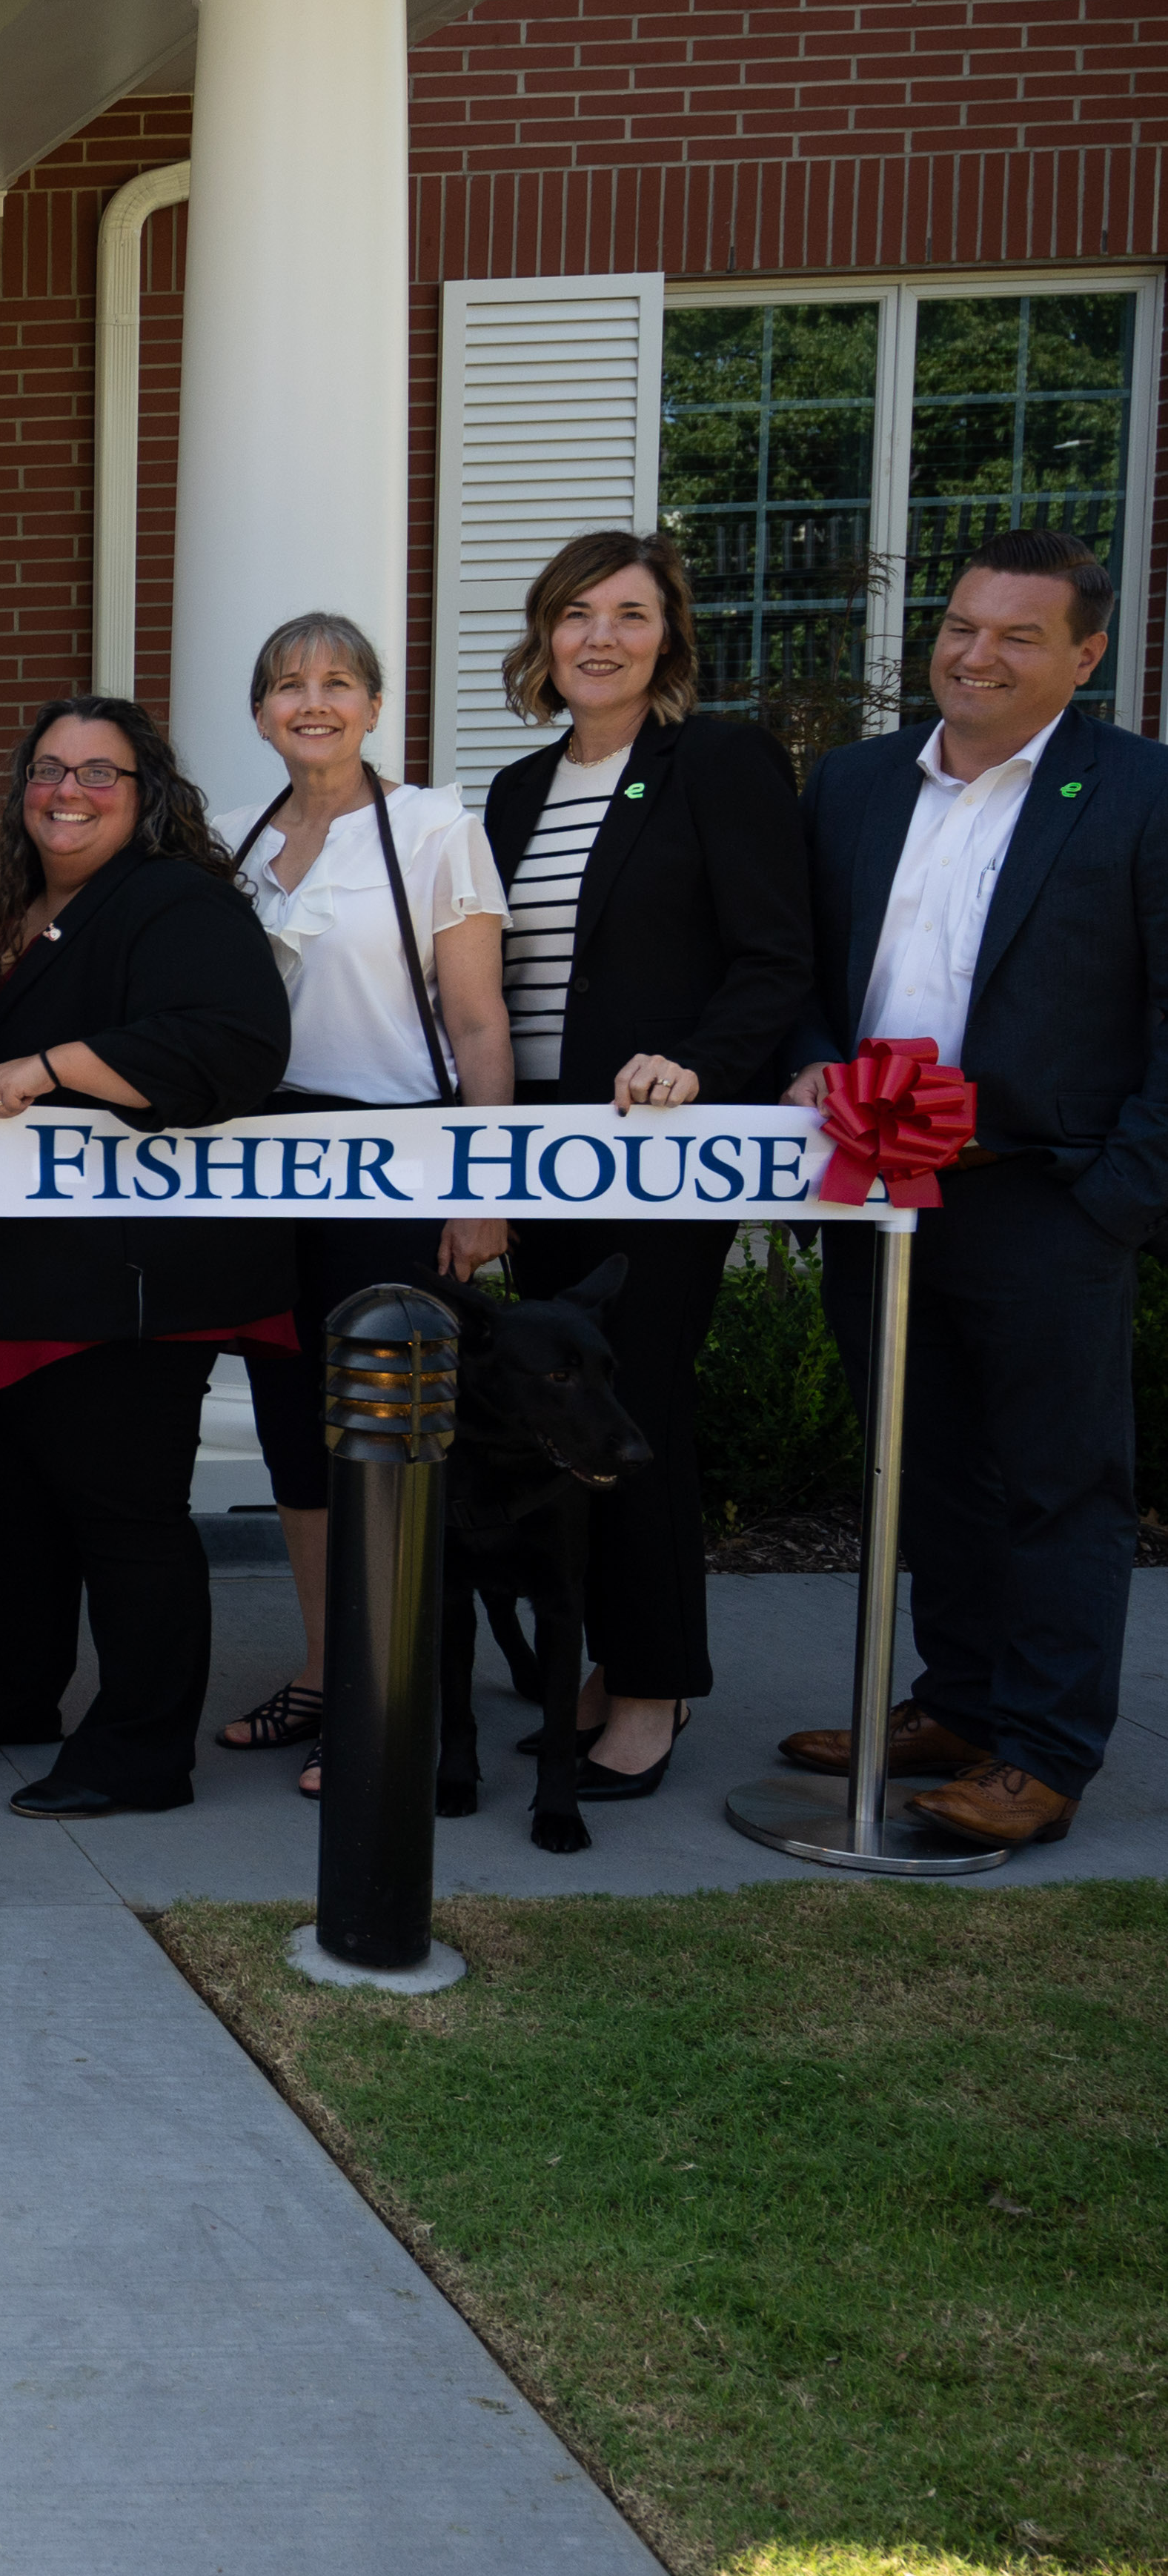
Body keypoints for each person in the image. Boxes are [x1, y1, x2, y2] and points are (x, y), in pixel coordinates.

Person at [777, 528, 1168, 1850]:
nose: (975, 656)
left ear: (1086, 656)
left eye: (1016, 636)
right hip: (874, 1190)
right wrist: (813, 1072)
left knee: (1059, 1483)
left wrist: (1120, 1195)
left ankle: (1045, 1753)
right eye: (959, 627)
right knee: (922, 1461)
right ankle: (958, 1703)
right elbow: (804, 977)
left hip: (1042, 1194)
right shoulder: (854, 782)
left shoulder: (1140, 792)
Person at [0, 697, 291, 1817]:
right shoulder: (6, 915)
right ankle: (9, 1692)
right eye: (49, 771)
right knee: (16, 1497)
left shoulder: (174, 902)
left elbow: (237, 1046)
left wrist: (58, 1064)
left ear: (148, 794)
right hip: (6, 1273)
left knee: (124, 1511)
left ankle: (140, 1753)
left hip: (124, 1280)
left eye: (100, 773)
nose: (69, 791)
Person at [476, 530, 809, 1797]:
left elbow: (775, 957)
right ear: (544, 634)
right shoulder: (517, 790)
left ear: (668, 633)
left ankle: (657, 1692)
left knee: (640, 1405)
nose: (599, 636)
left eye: (629, 612)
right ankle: (614, 1660)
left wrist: (697, 1064)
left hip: (661, 1148)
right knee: (571, 1413)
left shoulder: (717, 763)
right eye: (575, 614)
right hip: (549, 1145)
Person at [202, 613, 513, 1793]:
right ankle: (333, 1675)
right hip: (265, 1168)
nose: (313, 702)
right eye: (287, 684)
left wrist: (488, 1183)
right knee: (297, 1442)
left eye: (338, 682)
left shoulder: (435, 827)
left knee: (393, 1445)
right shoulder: (229, 841)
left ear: (377, 705)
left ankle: (402, 1702)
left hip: (393, 1161)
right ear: (261, 710)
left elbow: (478, 1019)